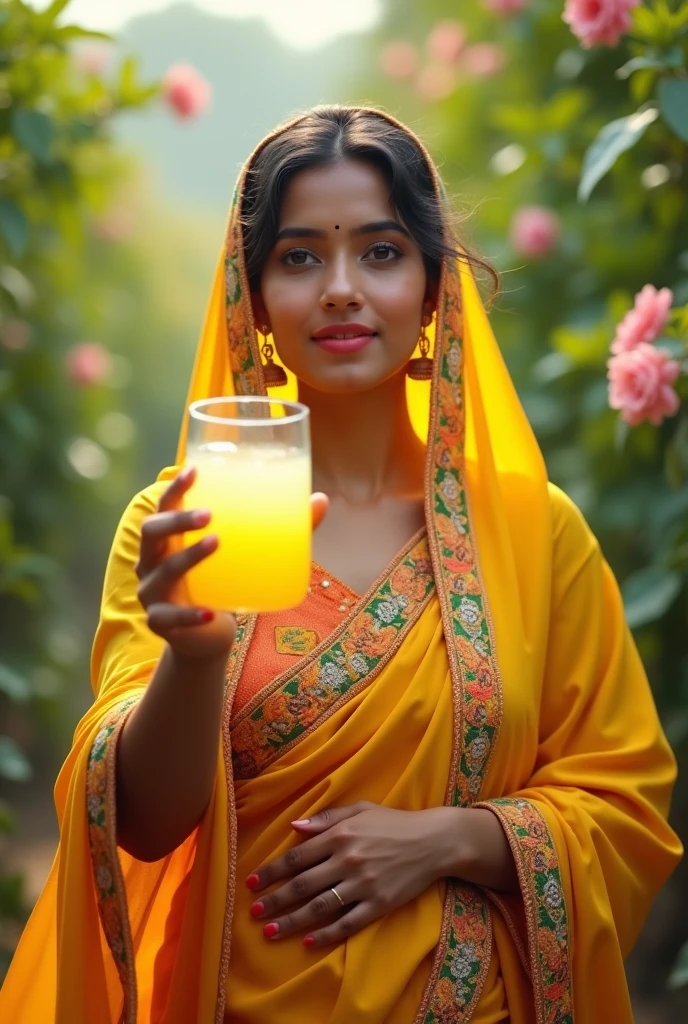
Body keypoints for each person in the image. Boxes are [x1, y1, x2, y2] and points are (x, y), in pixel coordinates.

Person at [0, 105, 682, 1024]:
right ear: (254, 297)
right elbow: (143, 827)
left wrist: (454, 839)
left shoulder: (533, 533)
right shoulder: (183, 525)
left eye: (382, 251)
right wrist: (195, 656)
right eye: (299, 257)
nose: (341, 288)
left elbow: (626, 807)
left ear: (435, 286)